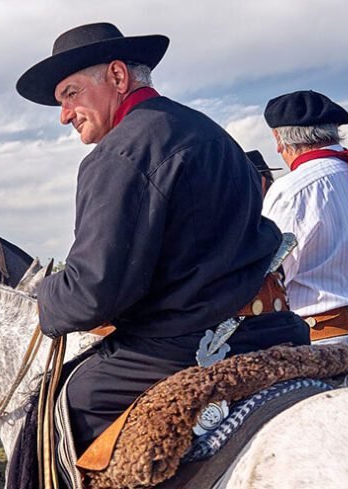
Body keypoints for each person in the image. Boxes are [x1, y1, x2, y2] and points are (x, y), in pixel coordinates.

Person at [16, 22, 310, 454]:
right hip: (272, 326)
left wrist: (46, 297)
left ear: (117, 77)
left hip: (192, 345)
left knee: (63, 405)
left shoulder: (120, 153)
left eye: (70, 94)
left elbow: (92, 292)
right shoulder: (212, 133)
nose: (64, 115)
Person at [261, 90, 348, 358]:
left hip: (324, 346)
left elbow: (269, 275)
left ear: (279, 140)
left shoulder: (292, 189)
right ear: (334, 132)